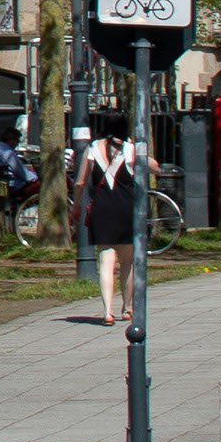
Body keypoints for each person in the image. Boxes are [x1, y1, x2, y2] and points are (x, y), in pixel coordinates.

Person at [78, 121, 138, 328]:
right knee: (128, 263)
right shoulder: (131, 149)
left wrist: (76, 206)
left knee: (105, 263)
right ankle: (127, 308)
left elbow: (79, 182)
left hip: (101, 210)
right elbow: (153, 166)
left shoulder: (92, 148)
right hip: (126, 210)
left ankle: (107, 312)